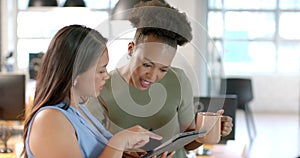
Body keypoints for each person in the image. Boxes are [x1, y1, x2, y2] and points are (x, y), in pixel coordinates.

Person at [86, 0, 233, 158]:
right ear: (131, 49)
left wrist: (208, 132)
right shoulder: (103, 86)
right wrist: (122, 153)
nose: (153, 76)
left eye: (163, 69)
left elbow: (188, 144)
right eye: (147, 64)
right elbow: (90, 145)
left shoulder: (179, 81)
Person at [21, 25, 175, 158]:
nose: (106, 76)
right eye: (101, 70)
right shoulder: (49, 120)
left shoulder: (80, 111)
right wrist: (119, 141)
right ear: (74, 72)